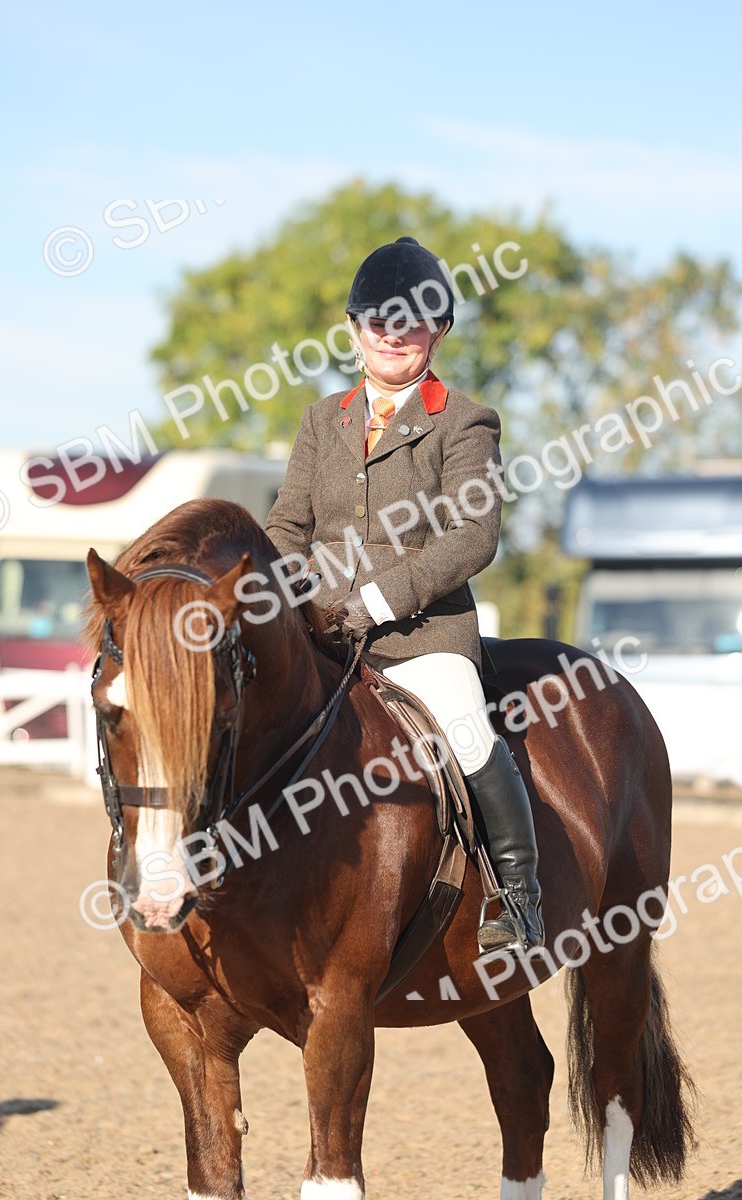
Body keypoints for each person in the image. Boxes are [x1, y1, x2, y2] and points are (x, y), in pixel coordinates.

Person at [265, 236, 543, 954]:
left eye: (410, 321)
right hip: (322, 628)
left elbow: (473, 536)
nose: (392, 334)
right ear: (356, 330)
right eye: (377, 320)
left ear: (437, 331)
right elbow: (288, 524)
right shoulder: (322, 421)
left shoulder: (464, 421)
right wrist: (285, 598)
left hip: (422, 634)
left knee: (462, 722)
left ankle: (519, 897)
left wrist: (377, 601)